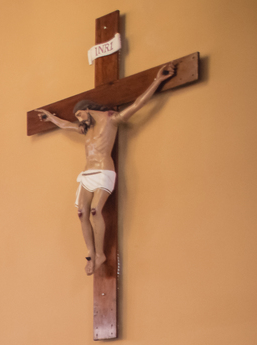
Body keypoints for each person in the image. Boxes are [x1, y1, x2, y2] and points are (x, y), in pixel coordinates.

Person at [35, 63, 175, 275]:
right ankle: (91, 252)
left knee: (95, 210)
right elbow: (65, 125)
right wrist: (50, 117)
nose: (79, 121)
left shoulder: (111, 119)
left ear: (88, 109)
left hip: (104, 171)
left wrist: (158, 80)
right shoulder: (85, 127)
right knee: (81, 212)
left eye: (80, 115)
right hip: (87, 173)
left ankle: (100, 253)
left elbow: (138, 104)